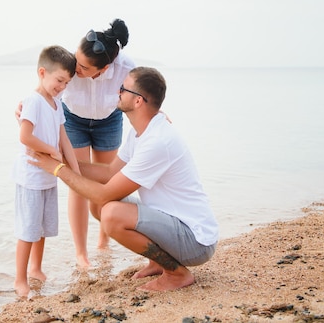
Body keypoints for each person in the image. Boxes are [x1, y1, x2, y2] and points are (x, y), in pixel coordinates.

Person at [28, 67, 219, 291]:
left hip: (195, 241)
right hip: (176, 225)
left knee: (111, 213)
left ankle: (176, 274)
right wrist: (60, 156)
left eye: (122, 88)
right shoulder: (142, 131)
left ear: (138, 101)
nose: (117, 92)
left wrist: (58, 169)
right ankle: (158, 262)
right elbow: (109, 173)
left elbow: (105, 192)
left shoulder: (157, 141)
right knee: (100, 206)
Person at [16, 19, 134, 268]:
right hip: (73, 120)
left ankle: (104, 239)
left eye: (82, 67)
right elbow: (46, 88)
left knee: (107, 180)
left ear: (102, 70)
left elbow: (140, 97)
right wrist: (24, 107)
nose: (75, 68)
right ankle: (81, 253)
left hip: (108, 120)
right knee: (77, 182)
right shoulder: (70, 64)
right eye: (76, 60)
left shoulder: (125, 68)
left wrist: (157, 116)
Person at [11, 45, 81, 297]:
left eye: (66, 83)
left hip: (48, 177)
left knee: (41, 228)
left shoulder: (56, 104)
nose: (62, 86)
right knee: (28, 230)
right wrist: (51, 151)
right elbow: (25, 136)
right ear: (42, 72)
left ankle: (36, 269)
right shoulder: (33, 101)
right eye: (59, 80)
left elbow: (65, 140)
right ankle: (20, 280)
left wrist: (75, 173)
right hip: (30, 176)